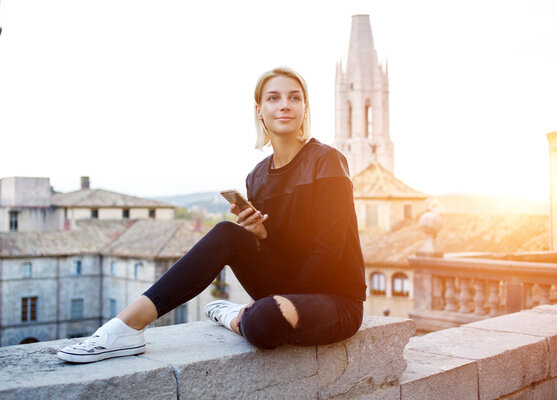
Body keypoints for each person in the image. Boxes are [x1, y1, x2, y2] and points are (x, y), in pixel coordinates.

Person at [57, 66, 366, 363]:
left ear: (305, 107)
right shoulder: (257, 176)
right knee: (226, 233)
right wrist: (262, 236)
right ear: (259, 109)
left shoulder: (326, 160)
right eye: (273, 98)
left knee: (264, 322)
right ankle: (125, 327)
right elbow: (286, 251)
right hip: (287, 293)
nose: (285, 105)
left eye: (294, 97)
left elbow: (329, 249)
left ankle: (235, 315)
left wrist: (285, 299)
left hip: (334, 299)